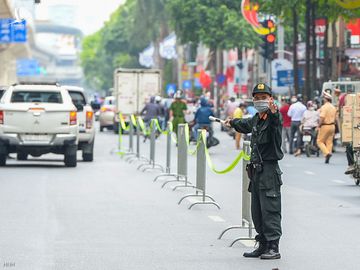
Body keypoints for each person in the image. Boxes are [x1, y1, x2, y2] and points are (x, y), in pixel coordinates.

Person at [225, 83, 283, 260]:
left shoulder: (273, 118)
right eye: (257, 98)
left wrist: (273, 113)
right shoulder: (257, 118)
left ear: (270, 99)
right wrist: (232, 122)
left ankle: (273, 246)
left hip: (269, 171)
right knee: (257, 211)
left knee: (270, 210)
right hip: (256, 172)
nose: (260, 101)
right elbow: (245, 124)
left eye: (263, 98)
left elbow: (275, 121)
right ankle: (263, 243)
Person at [316, 89, 337, 163]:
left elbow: (322, 117)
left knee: (319, 141)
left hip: (325, 126)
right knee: (329, 142)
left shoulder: (324, 107)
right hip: (332, 126)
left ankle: (327, 153)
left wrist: (318, 126)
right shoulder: (333, 107)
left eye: (323, 98)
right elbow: (336, 118)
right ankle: (328, 154)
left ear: (325, 99)